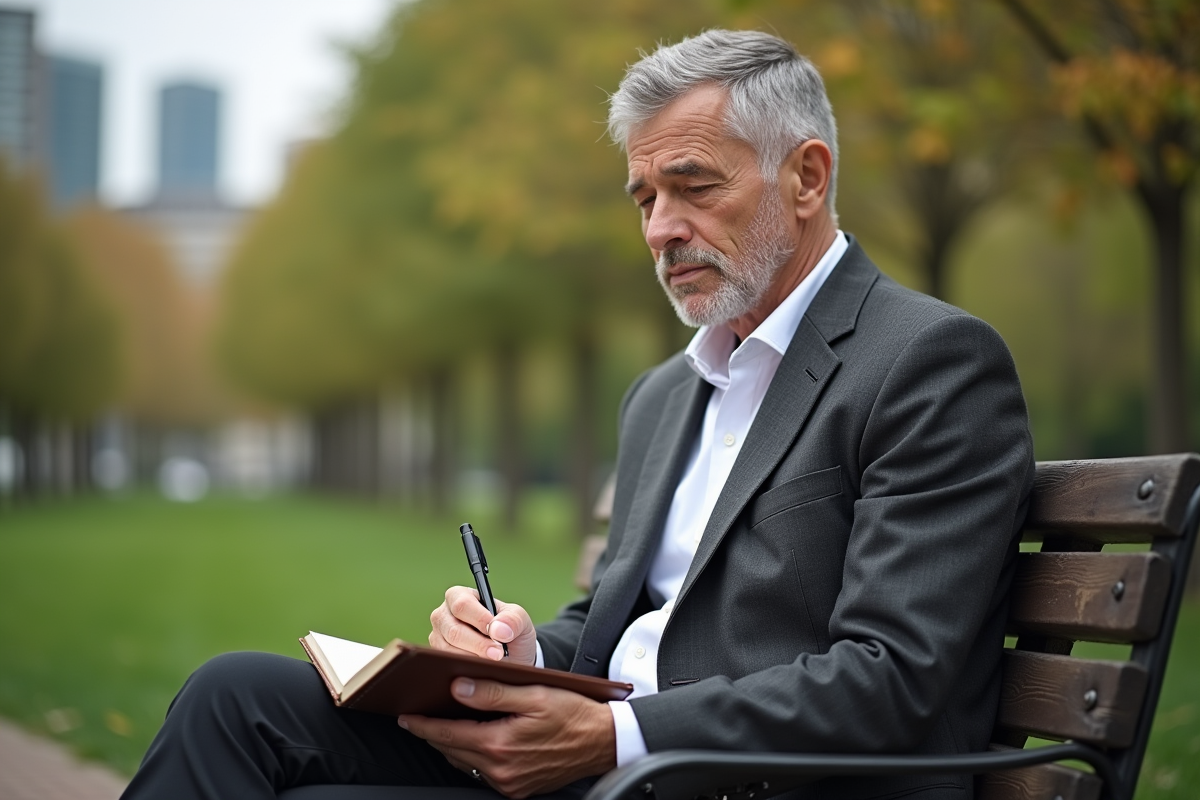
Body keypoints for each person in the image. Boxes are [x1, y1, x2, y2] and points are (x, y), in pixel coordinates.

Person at [120, 29, 1033, 800]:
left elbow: (894, 681)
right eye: (645, 198)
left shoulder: (928, 363)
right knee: (233, 696)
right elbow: (616, 617)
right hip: (603, 768)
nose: (660, 229)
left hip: (735, 778)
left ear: (805, 178)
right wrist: (520, 651)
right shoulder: (665, 394)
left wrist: (616, 736)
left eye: (694, 186)